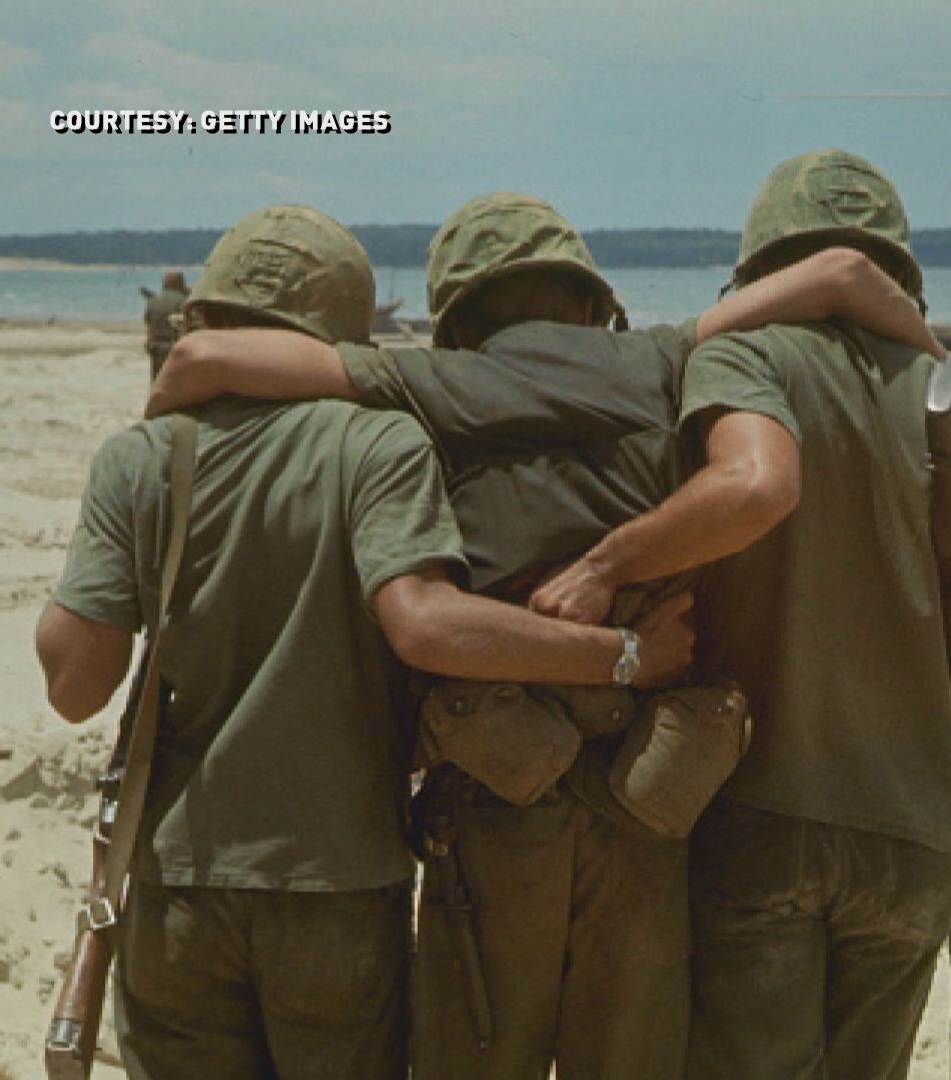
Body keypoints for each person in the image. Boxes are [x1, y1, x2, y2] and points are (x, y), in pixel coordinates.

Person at [146, 192, 946, 1080]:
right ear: (589, 299)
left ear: (459, 316)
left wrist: (161, 418)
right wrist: (931, 360)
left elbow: (202, 356)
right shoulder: (660, 357)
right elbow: (843, 273)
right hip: (649, 790)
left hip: (498, 790)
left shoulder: (435, 380)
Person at [35, 204, 693, 1080]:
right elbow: (423, 621)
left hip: (178, 878)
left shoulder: (141, 458)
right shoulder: (380, 444)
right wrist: (622, 656)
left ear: (208, 315)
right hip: (342, 876)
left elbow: (76, 686)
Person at [530, 148, 951, 1079]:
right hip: (914, 827)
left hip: (763, 811)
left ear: (760, 268)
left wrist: (607, 563)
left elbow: (748, 489)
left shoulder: (745, 356)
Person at [141, 271, 188, 378]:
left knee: (157, 381)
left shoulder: (153, 301)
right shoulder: (183, 301)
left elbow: (148, 322)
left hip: (154, 348)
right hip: (174, 349)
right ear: (181, 284)